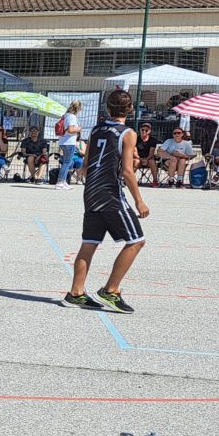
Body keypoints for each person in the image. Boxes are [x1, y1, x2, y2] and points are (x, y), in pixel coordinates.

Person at [63, 89, 149, 313]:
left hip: (91, 192)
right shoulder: (127, 133)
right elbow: (128, 171)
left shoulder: (96, 129)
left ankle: (76, 293)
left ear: (108, 108)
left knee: (89, 243)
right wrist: (139, 201)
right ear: (130, 109)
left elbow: (86, 163)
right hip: (110, 194)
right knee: (136, 241)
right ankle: (111, 290)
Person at [53, 101, 83, 189]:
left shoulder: (65, 115)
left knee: (67, 162)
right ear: (78, 109)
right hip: (69, 142)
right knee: (67, 162)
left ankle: (63, 181)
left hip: (63, 141)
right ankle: (60, 182)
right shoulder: (72, 117)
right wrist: (79, 129)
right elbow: (70, 130)